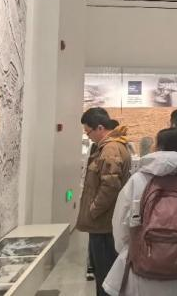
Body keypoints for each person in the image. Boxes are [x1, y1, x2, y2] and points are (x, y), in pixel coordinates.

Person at [103, 128, 177, 296]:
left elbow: (120, 225)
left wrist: (131, 251)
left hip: (140, 273)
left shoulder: (137, 181)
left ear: (157, 147)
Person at [78, 110, 131, 296]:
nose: (88, 136)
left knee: (105, 277)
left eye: (88, 132)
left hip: (103, 224)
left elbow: (110, 186)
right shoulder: (111, 146)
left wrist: (93, 210)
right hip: (105, 222)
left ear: (100, 128)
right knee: (107, 275)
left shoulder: (110, 149)